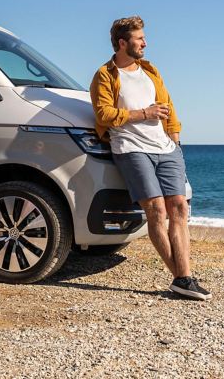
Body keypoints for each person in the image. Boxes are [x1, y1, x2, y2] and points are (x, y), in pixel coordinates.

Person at [90, 16, 211, 301]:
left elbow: (168, 105)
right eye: (139, 38)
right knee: (156, 210)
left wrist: (175, 137)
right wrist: (144, 113)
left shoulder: (150, 70)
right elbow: (104, 115)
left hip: (165, 147)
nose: (145, 42)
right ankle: (183, 277)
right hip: (131, 148)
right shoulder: (105, 75)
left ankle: (183, 277)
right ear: (123, 43)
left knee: (179, 207)